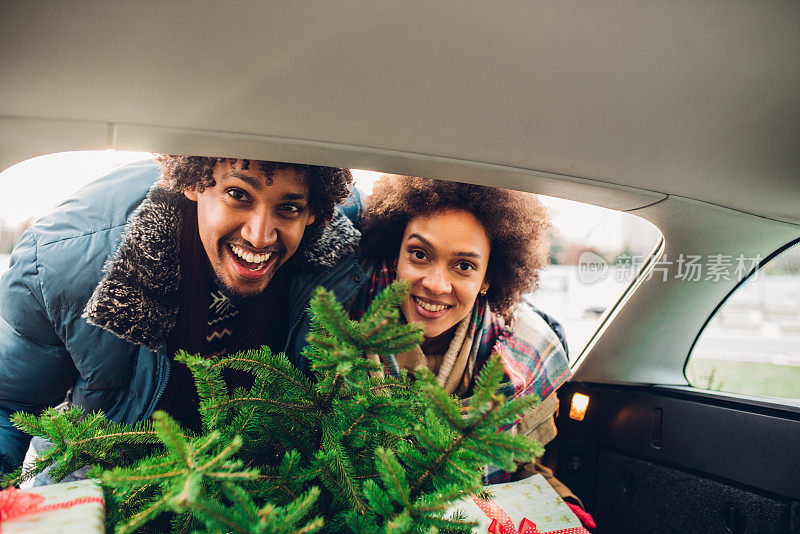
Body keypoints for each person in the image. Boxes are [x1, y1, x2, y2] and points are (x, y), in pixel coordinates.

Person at [0, 155, 367, 474]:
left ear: (315, 212)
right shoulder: (66, 264)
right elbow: (9, 407)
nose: (260, 236)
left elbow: (414, 220)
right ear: (193, 182)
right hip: (107, 470)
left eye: (288, 208)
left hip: (259, 488)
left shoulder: (343, 241)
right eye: (238, 195)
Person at [355, 174, 583, 507]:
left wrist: (567, 508)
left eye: (463, 265)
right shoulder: (341, 334)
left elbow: (522, 468)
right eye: (419, 254)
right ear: (395, 254)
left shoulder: (522, 354)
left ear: (489, 277)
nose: (436, 284)